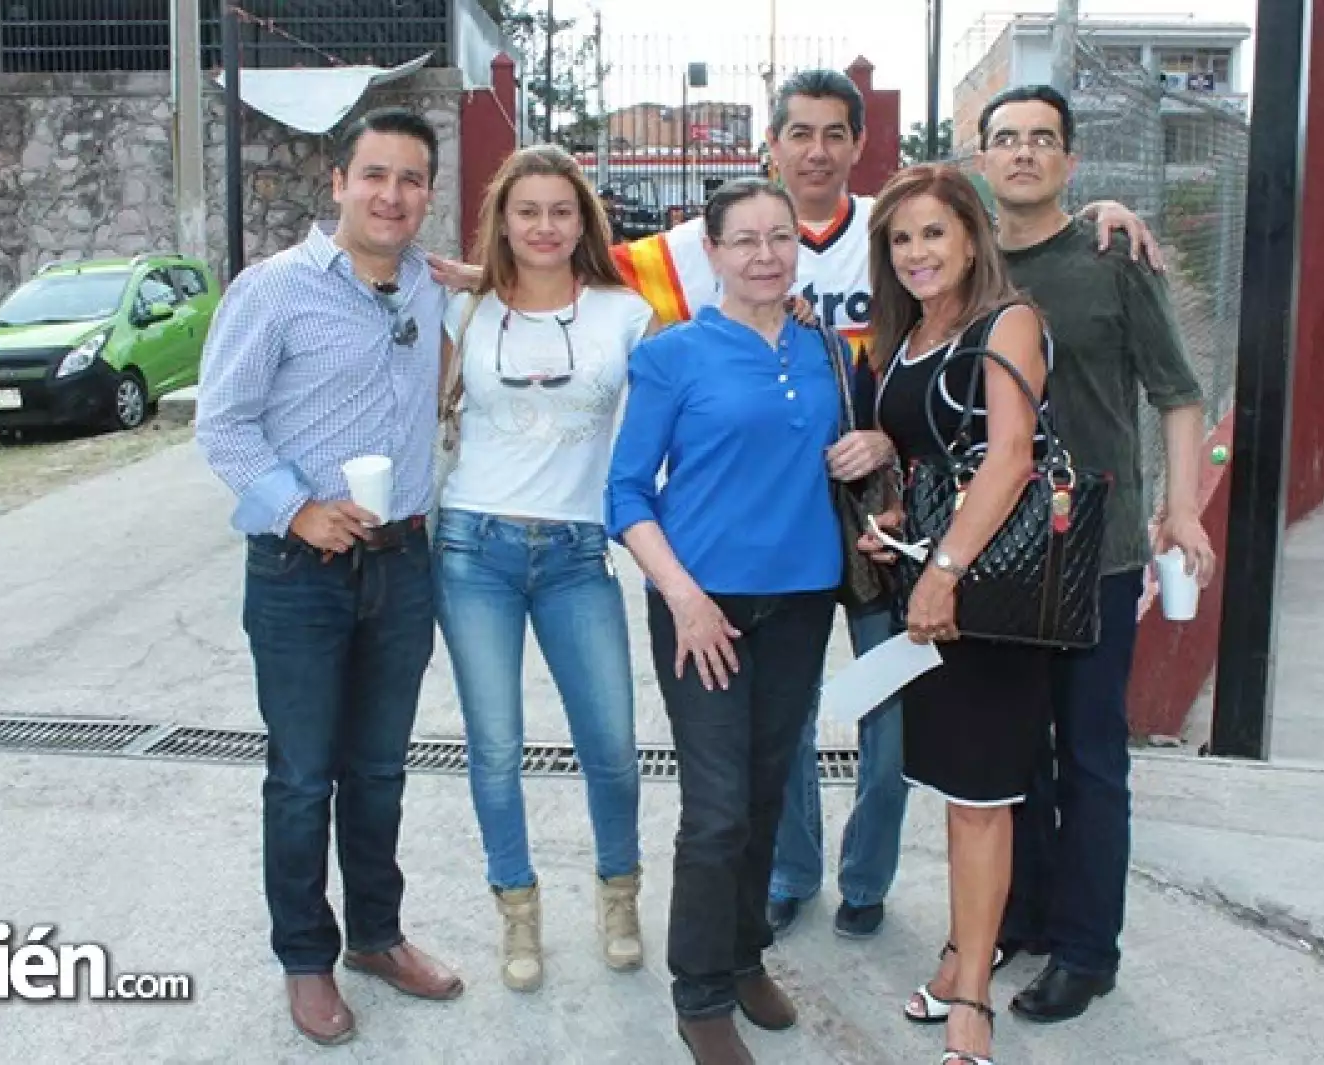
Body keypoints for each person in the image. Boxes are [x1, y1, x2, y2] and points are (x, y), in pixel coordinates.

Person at [431, 70, 1164, 943]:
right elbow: (570, 269)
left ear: (859, 145)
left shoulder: (893, 226)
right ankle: (790, 875)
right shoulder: (710, 245)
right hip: (777, 543)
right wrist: (481, 278)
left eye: (834, 133)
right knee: (789, 731)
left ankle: (868, 879)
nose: (816, 150)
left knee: (885, 711)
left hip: (879, 540)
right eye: (799, 134)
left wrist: (1101, 211)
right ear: (770, 147)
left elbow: (994, 223)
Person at [195, 108, 464, 1047]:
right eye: (376, 175)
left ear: (429, 193)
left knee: (381, 769)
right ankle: (306, 957)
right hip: (298, 570)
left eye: (412, 179)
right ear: (339, 182)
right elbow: (221, 423)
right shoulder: (273, 291)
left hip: (403, 564)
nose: (393, 195)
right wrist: (295, 506)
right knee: (305, 775)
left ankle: (378, 936)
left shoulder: (428, 280)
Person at [973, 85, 1217, 1023]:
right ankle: (1023, 914)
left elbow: (1178, 391)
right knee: (1010, 755)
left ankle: (1087, 950)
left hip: (1099, 552)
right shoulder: (962, 257)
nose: (1024, 152)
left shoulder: (1114, 255)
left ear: (1070, 162)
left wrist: (1182, 507)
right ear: (984, 158)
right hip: (994, 550)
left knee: (1090, 758)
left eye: (1043, 139)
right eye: (1007, 139)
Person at [606, 177, 842, 1065]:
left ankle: (744, 956)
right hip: (700, 609)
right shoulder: (674, 355)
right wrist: (684, 597)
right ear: (711, 253)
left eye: (780, 237)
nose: (765, 254)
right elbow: (626, 493)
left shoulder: (826, 349)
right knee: (714, 809)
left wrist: (879, 444)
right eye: (744, 239)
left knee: (766, 791)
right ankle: (699, 989)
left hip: (803, 600)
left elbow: (847, 448)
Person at [432, 145, 657, 993]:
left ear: (583, 220)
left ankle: (619, 894)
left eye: (561, 211)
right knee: (495, 747)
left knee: (612, 745)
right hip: (472, 549)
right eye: (527, 211)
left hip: (575, 554)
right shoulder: (468, 308)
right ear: (502, 219)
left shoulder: (623, 314)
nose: (544, 226)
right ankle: (518, 909)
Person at [860, 163, 1054, 1065]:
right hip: (932, 588)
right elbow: (934, 457)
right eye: (901, 238)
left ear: (972, 236)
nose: (917, 253)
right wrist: (898, 522)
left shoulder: (1006, 320)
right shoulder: (907, 336)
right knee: (955, 788)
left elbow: (1011, 456)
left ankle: (973, 998)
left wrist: (940, 568)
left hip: (991, 594)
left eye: (934, 233)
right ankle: (955, 955)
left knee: (982, 799)